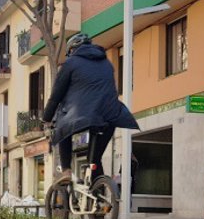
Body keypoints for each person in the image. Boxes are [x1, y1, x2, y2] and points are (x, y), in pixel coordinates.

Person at [42, 33, 139, 184]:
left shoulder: (71, 63)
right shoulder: (107, 63)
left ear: (72, 50)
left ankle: (66, 170)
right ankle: (101, 195)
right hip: (111, 115)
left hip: (83, 115)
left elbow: (56, 96)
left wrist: (46, 118)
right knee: (94, 160)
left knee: (62, 128)